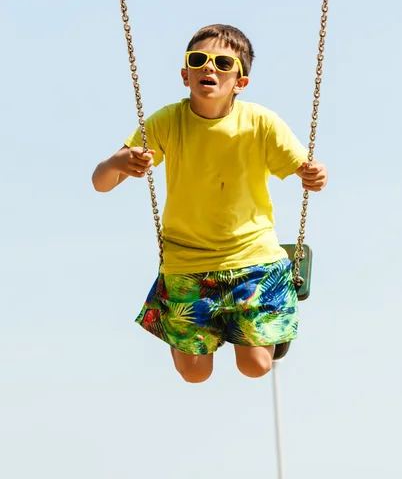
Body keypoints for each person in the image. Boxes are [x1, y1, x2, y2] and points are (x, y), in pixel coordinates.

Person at [92, 24, 328, 384]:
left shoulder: (261, 123)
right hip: (188, 262)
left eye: (222, 63)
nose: (209, 68)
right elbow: (101, 182)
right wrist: (120, 164)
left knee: (255, 366)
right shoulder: (168, 121)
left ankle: (265, 331)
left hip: (253, 258)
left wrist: (314, 176)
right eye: (199, 60)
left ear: (240, 82)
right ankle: (187, 334)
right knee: (194, 374)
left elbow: (306, 170)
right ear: (185, 74)